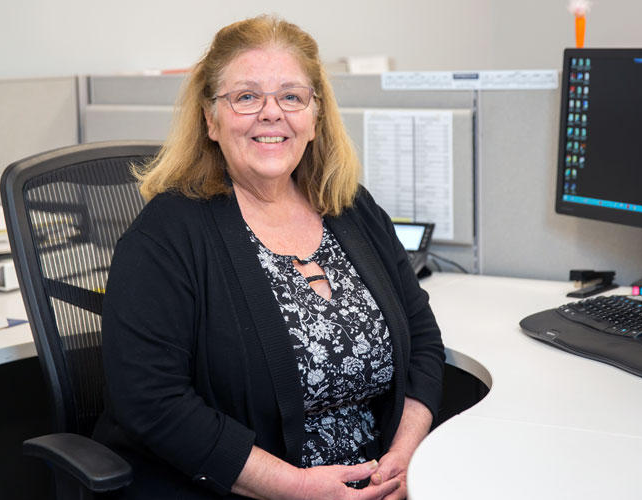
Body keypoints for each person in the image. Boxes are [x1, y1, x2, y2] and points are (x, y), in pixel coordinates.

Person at [93, 15, 445, 500]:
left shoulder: (351, 209)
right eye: (246, 97)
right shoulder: (166, 235)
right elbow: (152, 402)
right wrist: (295, 486)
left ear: (315, 116)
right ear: (211, 119)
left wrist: (403, 460)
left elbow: (423, 341)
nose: (271, 113)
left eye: (291, 97)